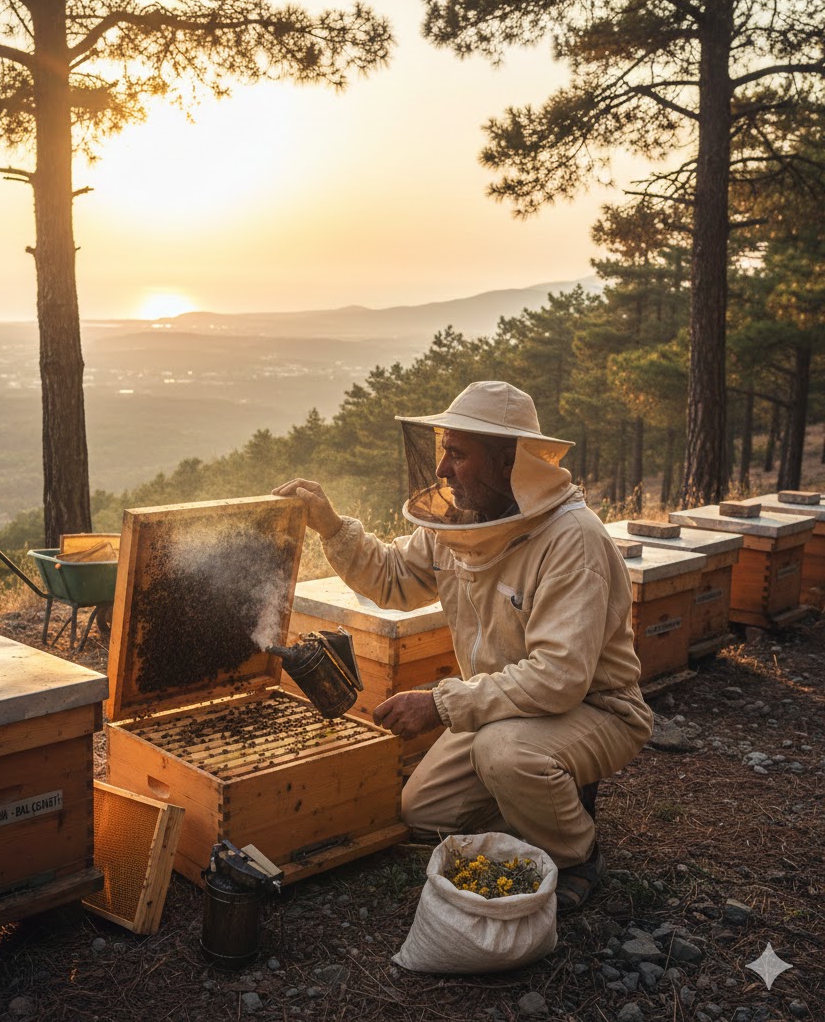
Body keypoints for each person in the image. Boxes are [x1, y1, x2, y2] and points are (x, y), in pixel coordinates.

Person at [273, 380, 653, 911]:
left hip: (596, 708)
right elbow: (393, 580)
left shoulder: (573, 540)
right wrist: (331, 527)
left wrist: (438, 703)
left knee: (506, 756)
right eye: (443, 450)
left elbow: (558, 677)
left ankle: (576, 853)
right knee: (423, 809)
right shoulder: (458, 523)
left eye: (457, 453)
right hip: (502, 705)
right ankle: (549, 794)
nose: (443, 469)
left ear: (506, 463)